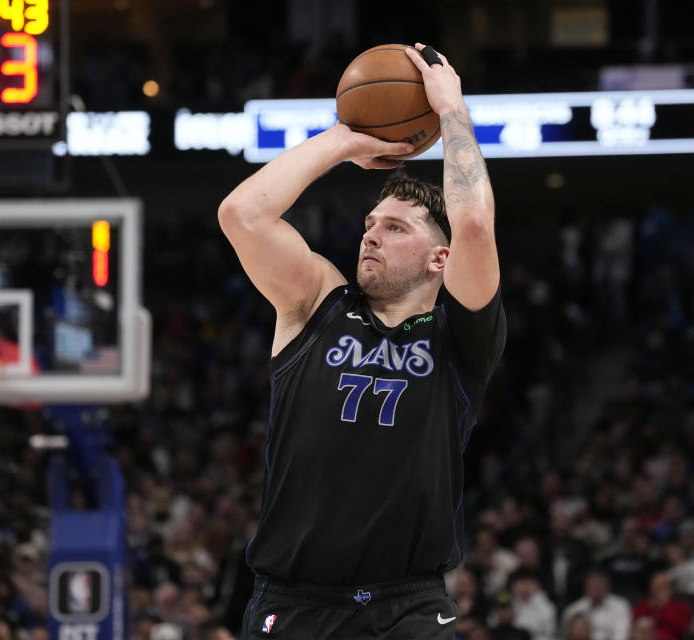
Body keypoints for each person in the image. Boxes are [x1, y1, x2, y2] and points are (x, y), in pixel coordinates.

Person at [218, 42, 505, 640]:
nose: (371, 236)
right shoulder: (316, 302)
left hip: (409, 607)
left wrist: (451, 111)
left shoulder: (460, 336)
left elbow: (473, 221)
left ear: (439, 260)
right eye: (370, 224)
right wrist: (344, 140)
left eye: (395, 228)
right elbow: (242, 214)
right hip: (294, 602)